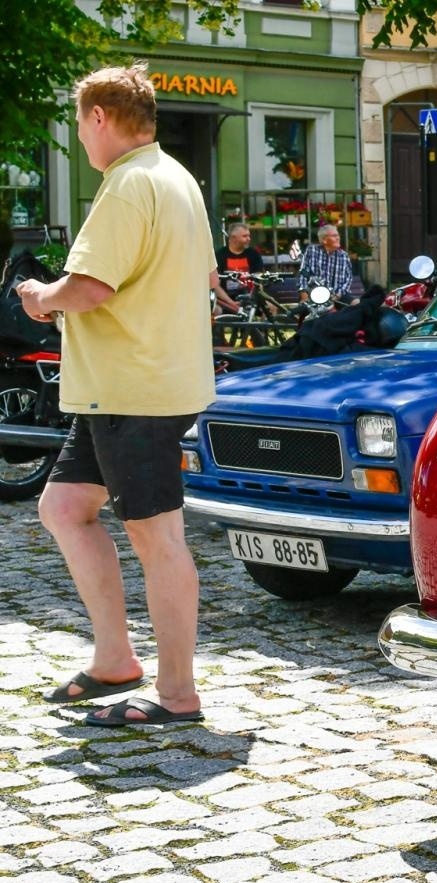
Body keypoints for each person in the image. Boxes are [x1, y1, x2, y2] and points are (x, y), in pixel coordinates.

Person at [15, 64, 216, 726]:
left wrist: (42, 298)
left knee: (157, 538)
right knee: (65, 505)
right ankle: (114, 659)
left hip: (135, 389)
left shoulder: (128, 186)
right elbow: (209, 279)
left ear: (100, 117)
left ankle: (177, 694)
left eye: (79, 123)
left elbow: (91, 287)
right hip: (131, 385)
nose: (79, 136)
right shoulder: (177, 178)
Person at [211, 222, 265, 314]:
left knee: (270, 307)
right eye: (245, 236)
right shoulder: (219, 255)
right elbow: (215, 285)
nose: (249, 239)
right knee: (216, 310)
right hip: (225, 300)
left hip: (250, 298)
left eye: (249, 236)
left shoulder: (253, 254)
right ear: (233, 238)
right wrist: (231, 303)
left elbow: (259, 280)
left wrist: (250, 299)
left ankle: (262, 328)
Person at [298, 222, 356, 300]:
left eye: (338, 235)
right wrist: (303, 292)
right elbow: (303, 273)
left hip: (337, 295)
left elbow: (348, 279)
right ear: (324, 240)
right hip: (314, 295)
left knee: (357, 304)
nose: (338, 238)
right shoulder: (312, 250)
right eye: (334, 236)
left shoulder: (344, 256)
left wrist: (338, 295)